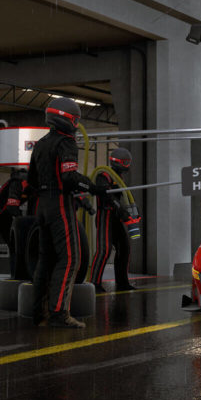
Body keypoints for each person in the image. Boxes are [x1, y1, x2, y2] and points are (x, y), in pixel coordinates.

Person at [28, 97, 98, 328]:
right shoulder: (66, 142)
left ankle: (39, 315)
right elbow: (69, 178)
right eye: (75, 120)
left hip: (42, 205)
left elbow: (32, 180)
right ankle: (59, 314)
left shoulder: (40, 143)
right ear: (68, 119)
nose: (76, 124)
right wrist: (92, 187)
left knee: (45, 260)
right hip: (59, 204)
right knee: (70, 259)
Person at [88, 148, 142, 292]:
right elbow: (107, 196)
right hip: (104, 217)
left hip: (115, 218)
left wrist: (133, 212)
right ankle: (95, 283)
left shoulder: (118, 177)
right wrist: (120, 209)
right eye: (125, 162)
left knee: (124, 248)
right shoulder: (103, 176)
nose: (127, 166)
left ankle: (122, 282)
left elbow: (126, 196)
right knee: (104, 250)